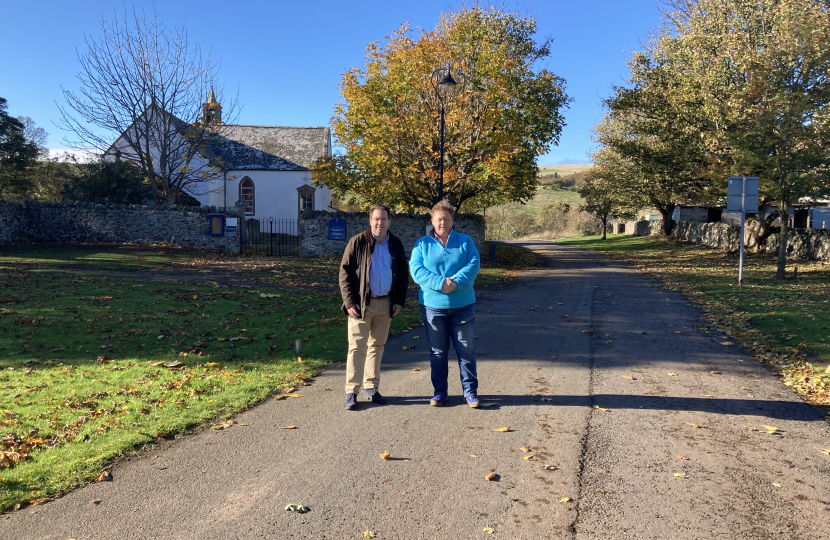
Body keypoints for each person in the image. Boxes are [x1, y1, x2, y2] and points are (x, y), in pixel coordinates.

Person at [409, 200, 481, 408]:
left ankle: (470, 392)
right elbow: (416, 270)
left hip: (463, 304)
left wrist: (455, 281)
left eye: (446, 219)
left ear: (452, 221)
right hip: (433, 306)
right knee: (438, 352)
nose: (442, 222)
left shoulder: (465, 241)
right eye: (438, 219)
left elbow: (473, 264)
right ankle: (440, 392)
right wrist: (440, 283)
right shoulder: (422, 244)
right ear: (432, 221)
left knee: (466, 349)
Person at [339, 204, 409, 410]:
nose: (379, 223)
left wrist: (399, 300)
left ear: (390, 221)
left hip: (385, 303)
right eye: (376, 219)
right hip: (361, 304)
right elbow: (345, 274)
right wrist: (349, 302)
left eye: (383, 219)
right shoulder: (357, 242)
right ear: (370, 221)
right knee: (356, 347)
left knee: (377, 347)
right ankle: (351, 391)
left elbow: (403, 275)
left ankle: (371, 387)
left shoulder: (395, 244)